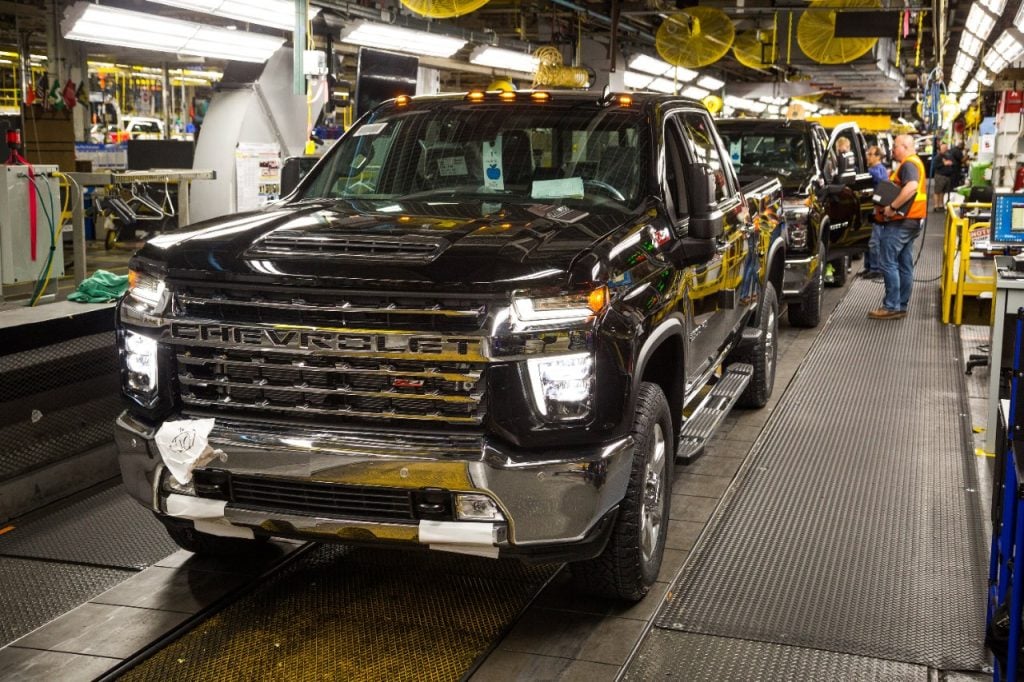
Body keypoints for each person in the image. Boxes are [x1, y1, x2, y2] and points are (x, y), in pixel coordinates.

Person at [868, 134, 928, 320]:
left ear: (905, 146)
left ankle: (891, 306)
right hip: (913, 220)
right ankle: (900, 305)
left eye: (895, 146)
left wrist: (892, 208)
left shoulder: (909, 164)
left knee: (887, 261)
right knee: (903, 263)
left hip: (902, 221)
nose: (892, 150)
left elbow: (911, 187)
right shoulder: (914, 162)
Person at [859, 145, 889, 280]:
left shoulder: (879, 170)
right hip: (868, 207)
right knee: (867, 237)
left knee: (875, 239)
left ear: (878, 157)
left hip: (877, 209)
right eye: (868, 154)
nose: (868, 156)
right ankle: (868, 267)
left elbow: (882, 181)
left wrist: (866, 172)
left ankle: (876, 269)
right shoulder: (871, 169)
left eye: (871, 154)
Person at [932, 141, 955, 212]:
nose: (945, 149)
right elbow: (935, 166)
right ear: (940, 149)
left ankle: (941, 205)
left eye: (946, 147)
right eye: (943, 148)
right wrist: (944, 164)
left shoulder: (948, 156)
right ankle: (936, 205)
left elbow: (953, 162)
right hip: (940, 176)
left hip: (947, 176)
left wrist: (951, 164)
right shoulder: (937, 157)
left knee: (943, 191)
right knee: (937, 191)